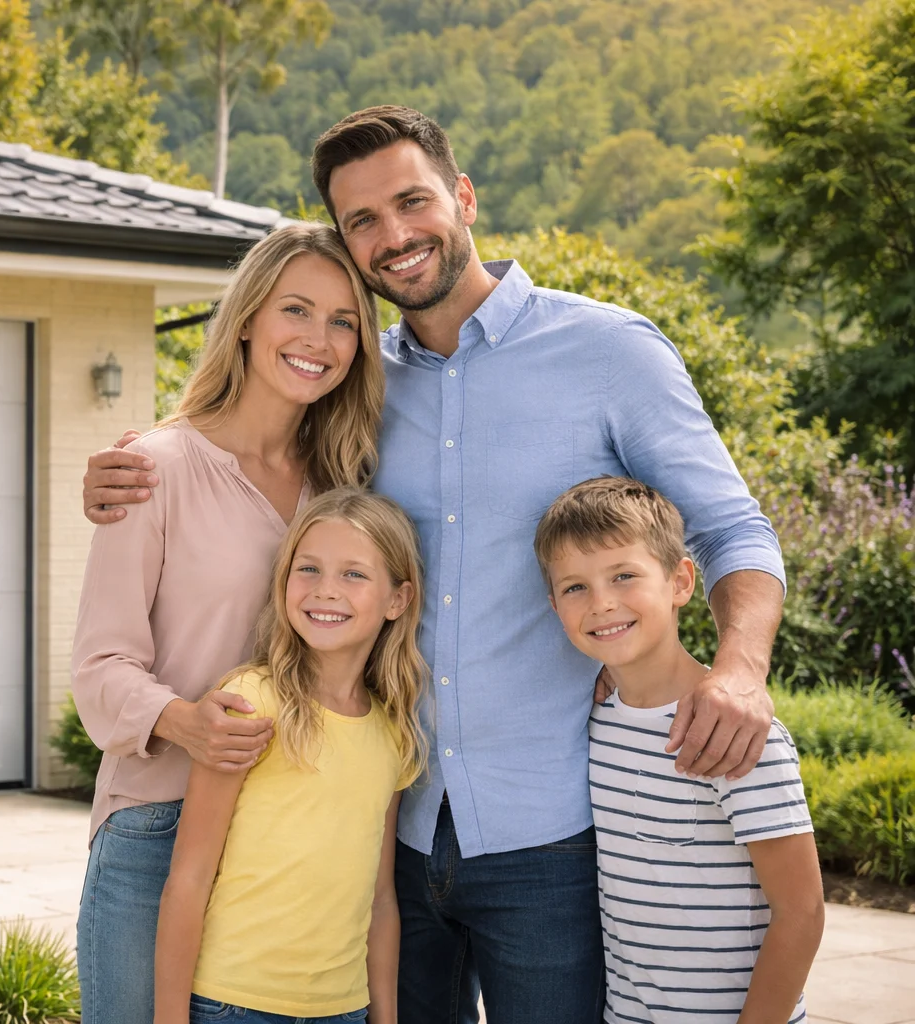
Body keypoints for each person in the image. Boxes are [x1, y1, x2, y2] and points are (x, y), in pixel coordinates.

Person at [81, 105, 788, 1019]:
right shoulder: (356, 388)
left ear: (462, 196)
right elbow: (247, 474)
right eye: (361, 222)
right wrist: (137, 465)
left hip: (546, 833)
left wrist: (739, 671)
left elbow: (733, 529)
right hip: (387, 837)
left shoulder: (609, 353)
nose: (394, 235)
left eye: (412, 202)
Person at [71, 221, 385, 1024]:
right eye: (297, 310)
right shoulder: (153, 469)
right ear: (247, 318)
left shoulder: (345, 485)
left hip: (294, 835)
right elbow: (100, 668)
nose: (320, 339)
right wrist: (184, 723)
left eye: (344, 321)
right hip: (158, 825)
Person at [535, 476, 823, 1024]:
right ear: (554, 604)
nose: (602, 603)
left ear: (680, 581)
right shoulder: (593, 717)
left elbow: (802, 912)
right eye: (575, 587)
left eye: (625, 576)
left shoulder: (731, 731)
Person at [156, 488, 427, 1024]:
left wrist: (385, 1014)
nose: (326, 591)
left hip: (344, 1009)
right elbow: (189, 876)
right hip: (232, 1004)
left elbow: (380, 900)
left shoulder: (393, 731)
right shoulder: (250, 702)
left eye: (354, 574)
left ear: (398, 600)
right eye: (308, 569)